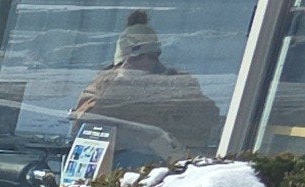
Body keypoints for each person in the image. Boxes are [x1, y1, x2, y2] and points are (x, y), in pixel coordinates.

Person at [71, 9, 223, 165]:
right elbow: (84, 125)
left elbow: (209, 119)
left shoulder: (176, 82)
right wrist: (122, 83)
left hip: (165, 164)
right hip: (113, 163)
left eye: (152, 56)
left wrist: (168, 110)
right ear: (123, 61)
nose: (146, 62)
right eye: (137, 58)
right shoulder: (102, 85)